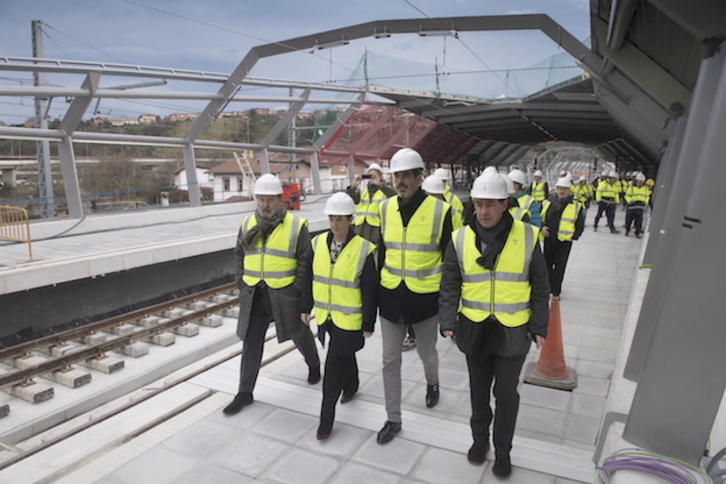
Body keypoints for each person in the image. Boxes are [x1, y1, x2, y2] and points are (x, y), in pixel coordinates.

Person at [439, 169, 549, 477]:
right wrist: (448, 319)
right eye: (479, 204)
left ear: (505, 204)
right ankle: (479, 441)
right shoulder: (459, 238)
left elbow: (541, 285)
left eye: (491, 204)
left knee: (506, 393)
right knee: (478, 391)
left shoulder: (527, 236)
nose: (484, 211)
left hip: (513, 330)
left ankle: (503, 451)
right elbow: (449, 283)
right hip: (473, 327)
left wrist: (539, 325)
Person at [224, 173, 321, 415]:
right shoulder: (247, 224)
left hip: (284, 294)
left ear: (280, 199)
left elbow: (304, 262)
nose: (265, 205)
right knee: (251, 343)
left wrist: (297, 290)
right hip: (255, 293)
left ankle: (314, 364)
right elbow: (239, 255)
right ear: (256, 200)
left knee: (299, 333)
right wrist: (241, 281)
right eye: (261, 199)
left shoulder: (296, 225)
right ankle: (244, 392)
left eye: (270, 200)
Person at [376, 148, 453, 444]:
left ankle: (432, 383)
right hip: (391, 297)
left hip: (424, 299)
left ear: (420, 177)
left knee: (426, 353)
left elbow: (451, 263)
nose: (401, 180)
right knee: (389, 359)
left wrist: (449, 308)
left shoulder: (440, 212)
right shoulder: (384, 209)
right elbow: (382, 253)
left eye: (407, 174)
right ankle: (392, 418)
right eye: (397, 175)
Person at [301, 192, 377, 440]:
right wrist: (306, 307)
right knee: (344, 355)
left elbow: (369, 288)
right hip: (326, 316)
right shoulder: (317, 244)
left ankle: (326, 421)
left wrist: (368, 322)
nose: (335, 224)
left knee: (332, 368)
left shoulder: (362, 249)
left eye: (340, 219)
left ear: (350, 220)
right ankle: (353, 385)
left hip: (350, 319)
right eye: (332, 219)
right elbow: (308, 278)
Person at [540, 177, 585, 299]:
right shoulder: (548, 202)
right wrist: (542, 228)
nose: (562, 191)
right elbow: (540, 218)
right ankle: (548, 287)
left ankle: (556, 291)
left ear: (569, 190)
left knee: (560, 267)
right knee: (547, 265)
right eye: (560, 188)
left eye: (565, 189)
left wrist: (574, 236)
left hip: (564, 241)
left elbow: (580, 224)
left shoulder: (576, 206)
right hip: (549, 239)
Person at [346, 162, 396, 244]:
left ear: (380, 177)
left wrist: (380, 185)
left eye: (374, 176)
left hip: (376, 228)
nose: (372, 178)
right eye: (370, 176)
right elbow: (353, 200)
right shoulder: (364, 190)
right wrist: (353, 187)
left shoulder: (385, 190)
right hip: (361, 227)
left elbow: (394, 197)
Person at [624, 173, 651, 238]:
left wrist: (645, 202)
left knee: (639, 221)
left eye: (641, 181)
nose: (640, 182)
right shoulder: (632, 187)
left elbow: (647, 196)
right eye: (639, 181)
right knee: (629, 220)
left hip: (640, 207)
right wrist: (630, 201)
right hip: (632, 206)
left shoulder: (645, 188)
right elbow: (627, 195)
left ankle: (637, 233)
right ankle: (627, 230)